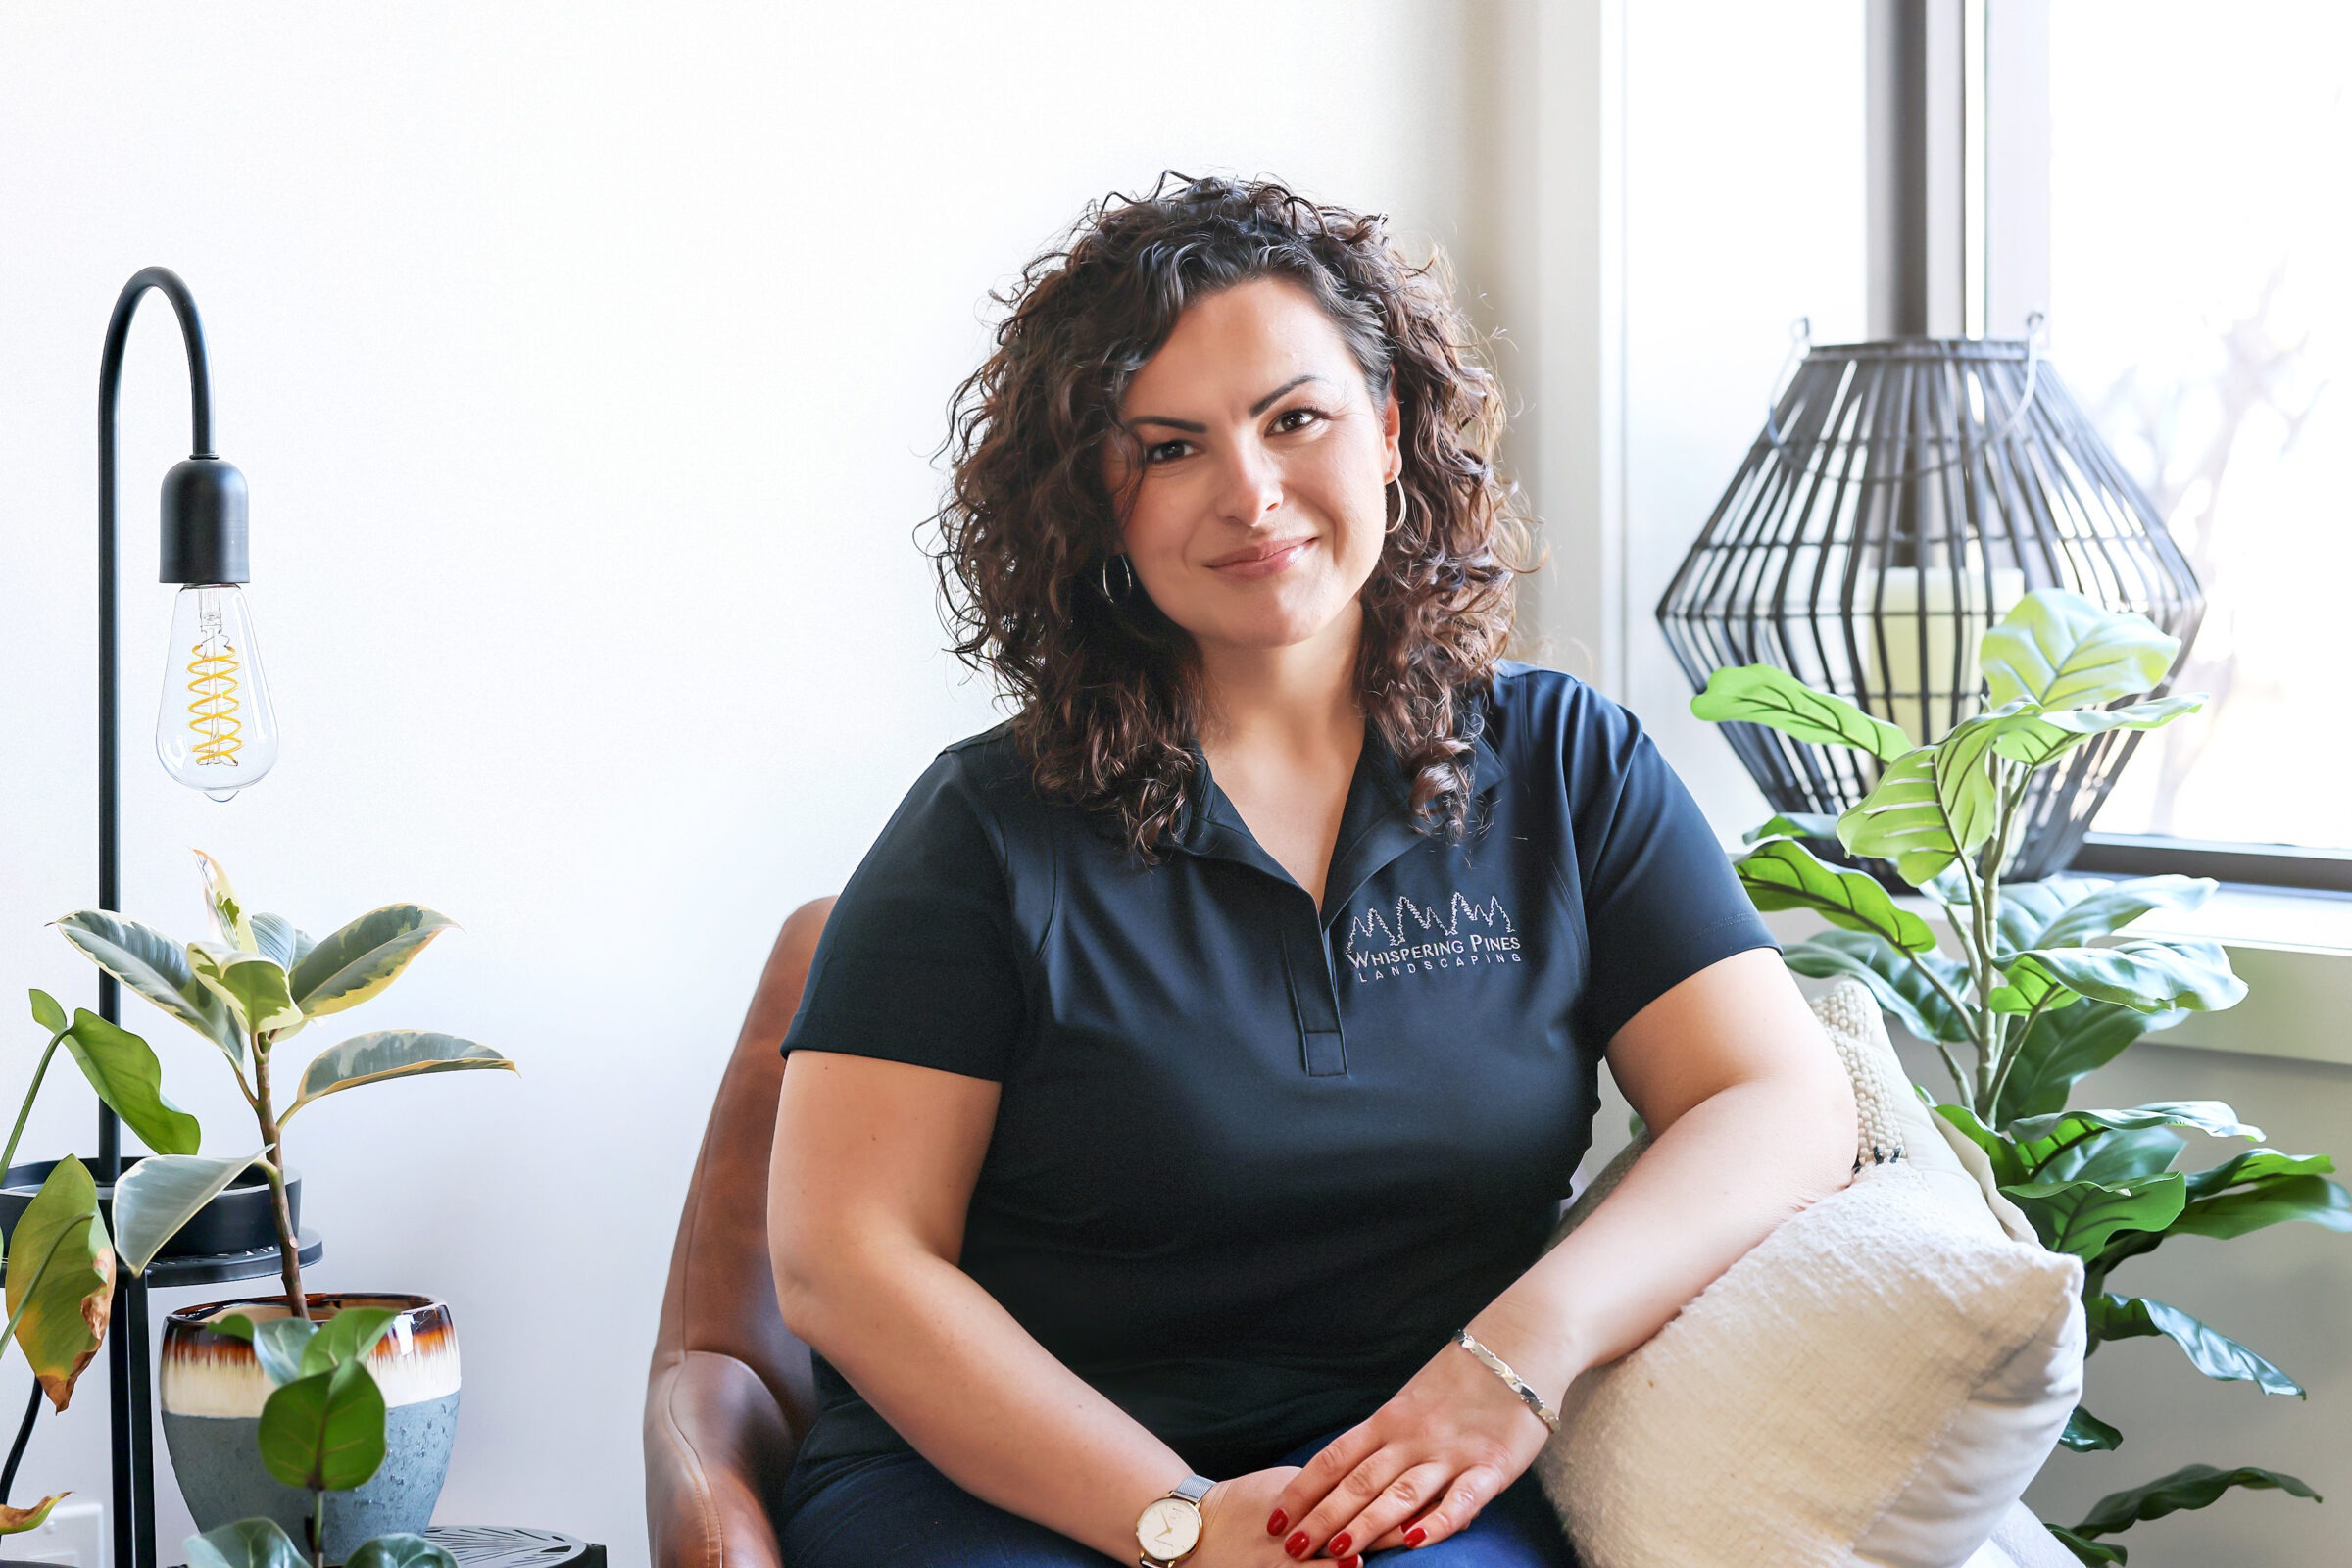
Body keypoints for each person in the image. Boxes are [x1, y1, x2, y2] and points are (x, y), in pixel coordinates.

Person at [764, 172, 1856, 1568]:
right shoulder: (983, 830)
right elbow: (845, 1263)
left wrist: (1514, 1360)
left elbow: (1779, 1099)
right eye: (1168, 448)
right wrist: (1177, 1523)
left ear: (1391, 430)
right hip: (1011, 1492)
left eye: (1297, 419)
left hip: (1397, 1486)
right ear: (1096, 500)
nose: (1251, 494)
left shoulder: (1569, 768)